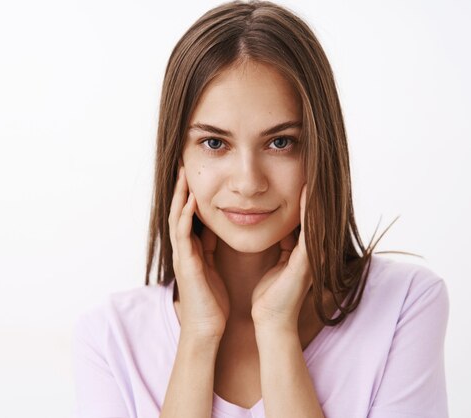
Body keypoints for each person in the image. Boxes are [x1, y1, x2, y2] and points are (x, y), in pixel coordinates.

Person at [73, 1, 449, 417]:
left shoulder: (404, 306)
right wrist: (197, 338)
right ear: (177, 156)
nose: (248, 182)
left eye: (281, 142)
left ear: (320, 150)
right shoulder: (109, 339)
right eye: (215, 143)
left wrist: (277, 331)